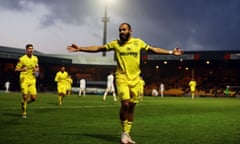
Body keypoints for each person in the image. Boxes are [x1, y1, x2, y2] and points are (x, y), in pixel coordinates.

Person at [67, 22, 183, 144]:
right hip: (121, 77)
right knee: (125, 104)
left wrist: (171, 52)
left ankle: (127, 134)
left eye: (124, 30)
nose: (121, 32)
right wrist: (80, 48)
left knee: (132, 107)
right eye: (120, 30)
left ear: (130, 31)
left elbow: (154, 49)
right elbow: (98, 48)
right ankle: (124, 133)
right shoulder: (115, 44)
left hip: (136, 79)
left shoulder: (138, 42)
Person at [15, 44, 39, 118]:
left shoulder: (35, 58)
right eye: (29, 49)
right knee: (25, 96)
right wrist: (22, 69)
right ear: (26, 50)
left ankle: (24, 103)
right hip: (24, 79)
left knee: (34, 98)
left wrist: (36, 70)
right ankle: (24, 113)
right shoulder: (22, 59)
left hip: (32, 80)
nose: (31, 50)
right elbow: (16, 69)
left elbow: (37, 68)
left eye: (32, 49)